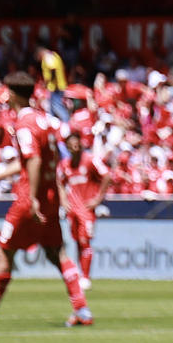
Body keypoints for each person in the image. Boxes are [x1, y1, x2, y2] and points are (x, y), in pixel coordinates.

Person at [0, 72, 91, 329]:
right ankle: (82, 310)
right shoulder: (44, 120)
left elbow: (33, 160)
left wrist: (31, 199)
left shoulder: (24, 124)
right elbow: (32, 159)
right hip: (50, 194)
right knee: (56, 252)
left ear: (12, 93)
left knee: (4, 251)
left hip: (31, 198)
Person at [59, 114, 110, 289]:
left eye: (76, 142)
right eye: (71, 144)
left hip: (87, 208)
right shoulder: (65, 165)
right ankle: (82, 274)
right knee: (77, 241)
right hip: (72, 209)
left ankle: (86, 277)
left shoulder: (90, 159)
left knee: (84, 241)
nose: (74, 146)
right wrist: (63, 199)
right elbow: (59, 182)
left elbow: (107, 175)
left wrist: (98, 199)